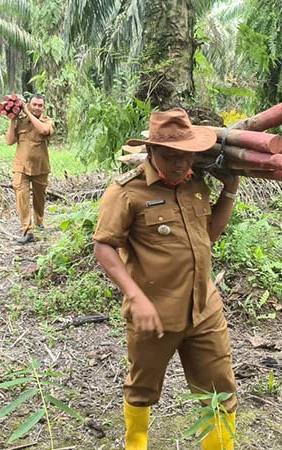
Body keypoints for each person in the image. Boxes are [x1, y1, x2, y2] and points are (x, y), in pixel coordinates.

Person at [93, 108, 239, 450]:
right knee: (142, 390)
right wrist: (136, 297)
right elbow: (104, 247)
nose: (179, 164)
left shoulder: (195, 183)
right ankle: (136, 443)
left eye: (186, 156)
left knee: (220, 392)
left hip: (205, 309)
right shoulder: (127, 192)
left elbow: (211, 233)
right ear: (151, 152)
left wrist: (229, 191)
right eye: (170, 156)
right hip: (155, 313)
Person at [4, 94, 55, 244]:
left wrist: (26, 111)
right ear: (30, 104)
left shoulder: (47, 121)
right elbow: (9, 141)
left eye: (40, 105)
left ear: (44, 107)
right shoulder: (20, 122)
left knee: (39, 198)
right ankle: (27, 230)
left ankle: (39, 222)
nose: (37, 108)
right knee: (22, 198)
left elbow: (43, 131)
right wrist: (12, 120)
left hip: (41, 167)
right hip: (21, 167)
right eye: (34, 104)